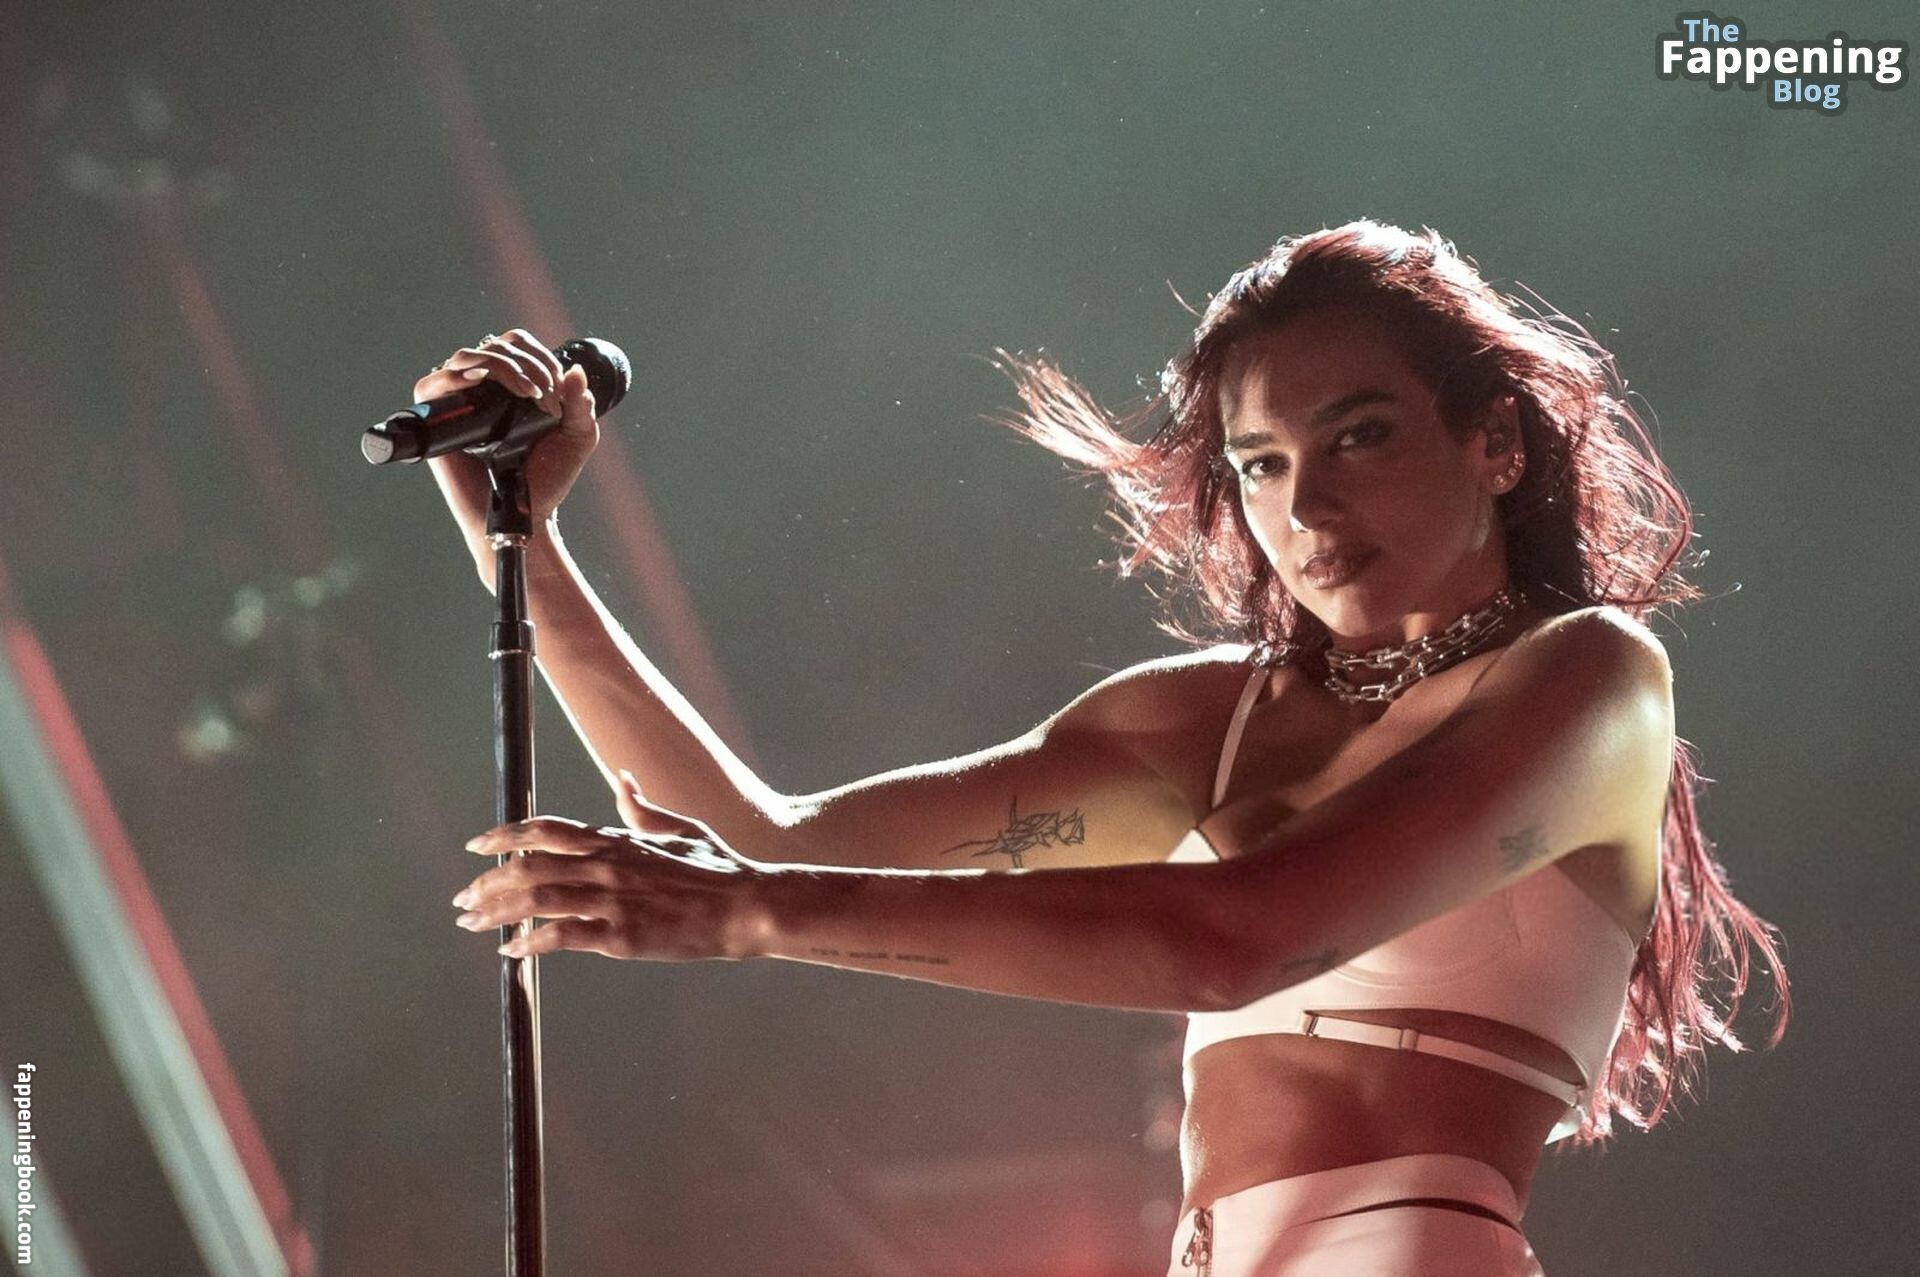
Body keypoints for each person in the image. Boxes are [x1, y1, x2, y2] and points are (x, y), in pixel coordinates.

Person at [427, 219, 1789, 1275]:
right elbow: (749, 838)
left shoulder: (1592, 679)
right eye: (1260, 464)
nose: (1307, 506)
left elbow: (1238, 938)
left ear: (1494, 442)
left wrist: (750, 913)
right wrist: (516, 536)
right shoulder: (1209, 720)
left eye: (1360, 436)